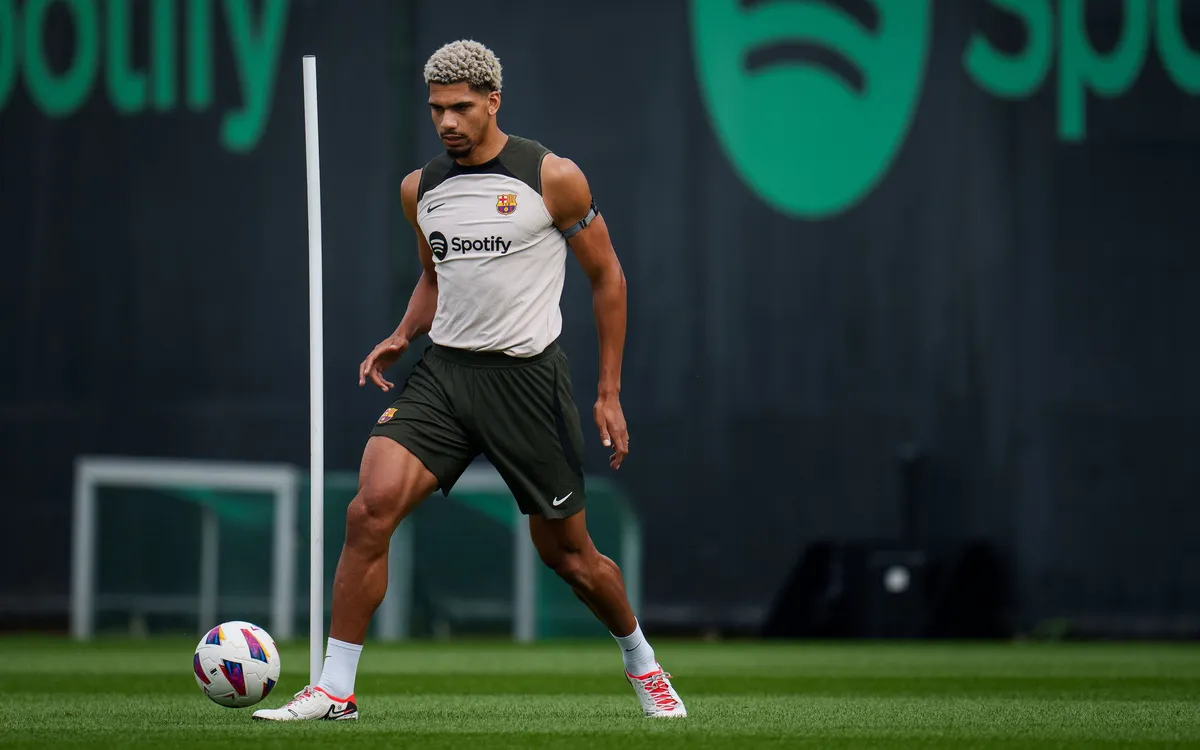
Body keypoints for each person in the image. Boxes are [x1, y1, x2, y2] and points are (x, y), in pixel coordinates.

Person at [252, 39, 686, 721]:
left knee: (569, 557)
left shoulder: (553, 177)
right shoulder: (420, 190)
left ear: (493, 102)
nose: (447, 122)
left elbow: (608, 278)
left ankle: (642, 661)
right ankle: (335, 691)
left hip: (528, 385)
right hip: (445, 379)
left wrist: (609, 393)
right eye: (436, 110)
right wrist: (403, 334)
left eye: (460, 107)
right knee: (369, 511)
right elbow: (435, 276)